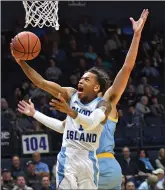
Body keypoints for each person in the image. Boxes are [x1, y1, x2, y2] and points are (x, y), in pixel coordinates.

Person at [17, 9, 149, 190]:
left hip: (95, 164)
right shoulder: (73, 96)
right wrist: (20, 62)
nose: (81, 80)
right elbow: (42, 83)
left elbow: (126, 68)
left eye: (87, 79)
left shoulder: (107, 101)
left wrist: (136, 36)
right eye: (82, 78)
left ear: (97, 87)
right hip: (105, 167)